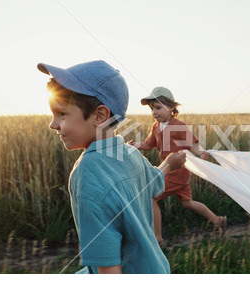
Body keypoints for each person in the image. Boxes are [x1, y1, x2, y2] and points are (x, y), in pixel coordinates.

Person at [37, 60, 186, 274]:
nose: (53, 124)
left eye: (61, 114)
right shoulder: (131, 154)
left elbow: (108, 268)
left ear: (99, 116)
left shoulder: (86, 174)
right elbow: (154, 182)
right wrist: (169, 164)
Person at [128, 87, 226, 246]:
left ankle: (157, 240)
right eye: (152, 108)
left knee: (151, 197)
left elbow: (192, 143)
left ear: (171, 107)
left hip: (176, 172)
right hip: (174, 172)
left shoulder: (178, 125)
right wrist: (135, 145)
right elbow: (149, 144)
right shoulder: (155, 127)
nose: (154, 112)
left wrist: (200, 153)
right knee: (187, 203)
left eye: (158, 107)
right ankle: (217, 220)